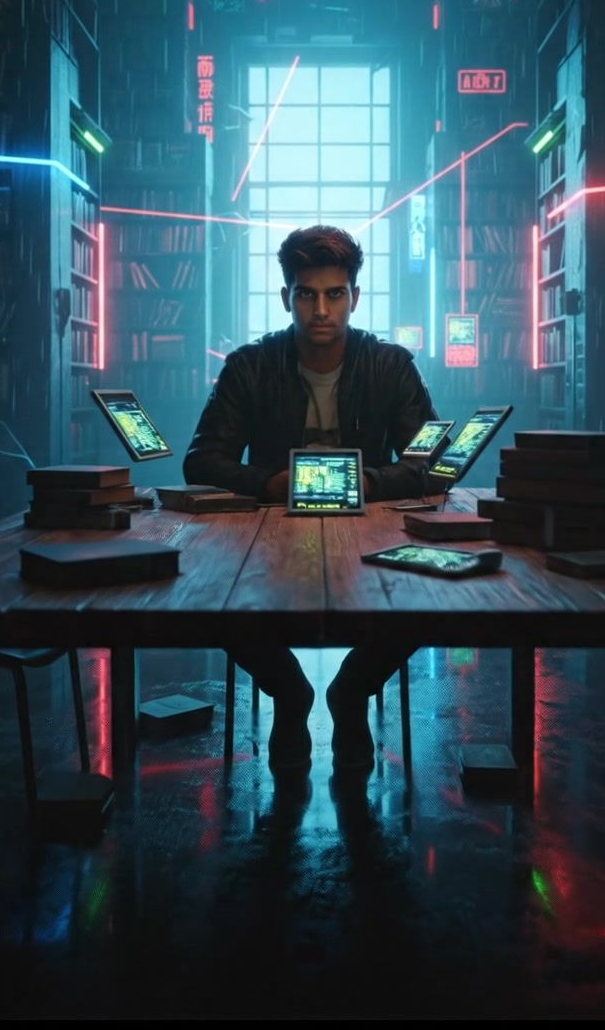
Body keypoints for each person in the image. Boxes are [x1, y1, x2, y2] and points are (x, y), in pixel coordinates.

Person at [184, 225, 440, 774]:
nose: (320, 309)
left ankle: (352, 689)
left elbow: (431, 463)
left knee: (429, 595)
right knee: (210, 592)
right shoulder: (249, 365)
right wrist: (270, 484)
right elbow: (202, 460)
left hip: (367, 531)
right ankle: (289, 690)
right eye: (306, 294)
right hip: (271, 534)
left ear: (354, 297)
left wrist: (369, 482)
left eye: (334, 294)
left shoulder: (390, 365)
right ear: (286, 297)